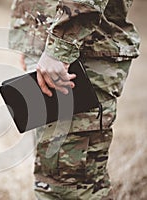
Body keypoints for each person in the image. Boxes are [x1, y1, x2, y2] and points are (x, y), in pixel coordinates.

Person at [8, 0, 140, 199]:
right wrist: (31, 39)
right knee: (52, 180)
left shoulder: (63, 48)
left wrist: (59, 48)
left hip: (81, 51)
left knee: (71, 186)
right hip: (53, 47)